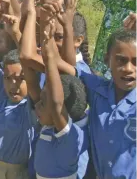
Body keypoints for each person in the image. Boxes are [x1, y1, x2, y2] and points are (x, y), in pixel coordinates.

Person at [33, 15, 88, 179]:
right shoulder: (48, 127)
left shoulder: (69, 138)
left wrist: (49, 56)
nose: (36, 106)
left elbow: (56, 103)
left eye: (42, 104)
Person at [80, 29, 136, 179]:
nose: (129, 69)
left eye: (136, 62)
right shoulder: (98, 90)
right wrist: (65, 25)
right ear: (107, 60)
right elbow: (62, 65)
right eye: (121, 60)